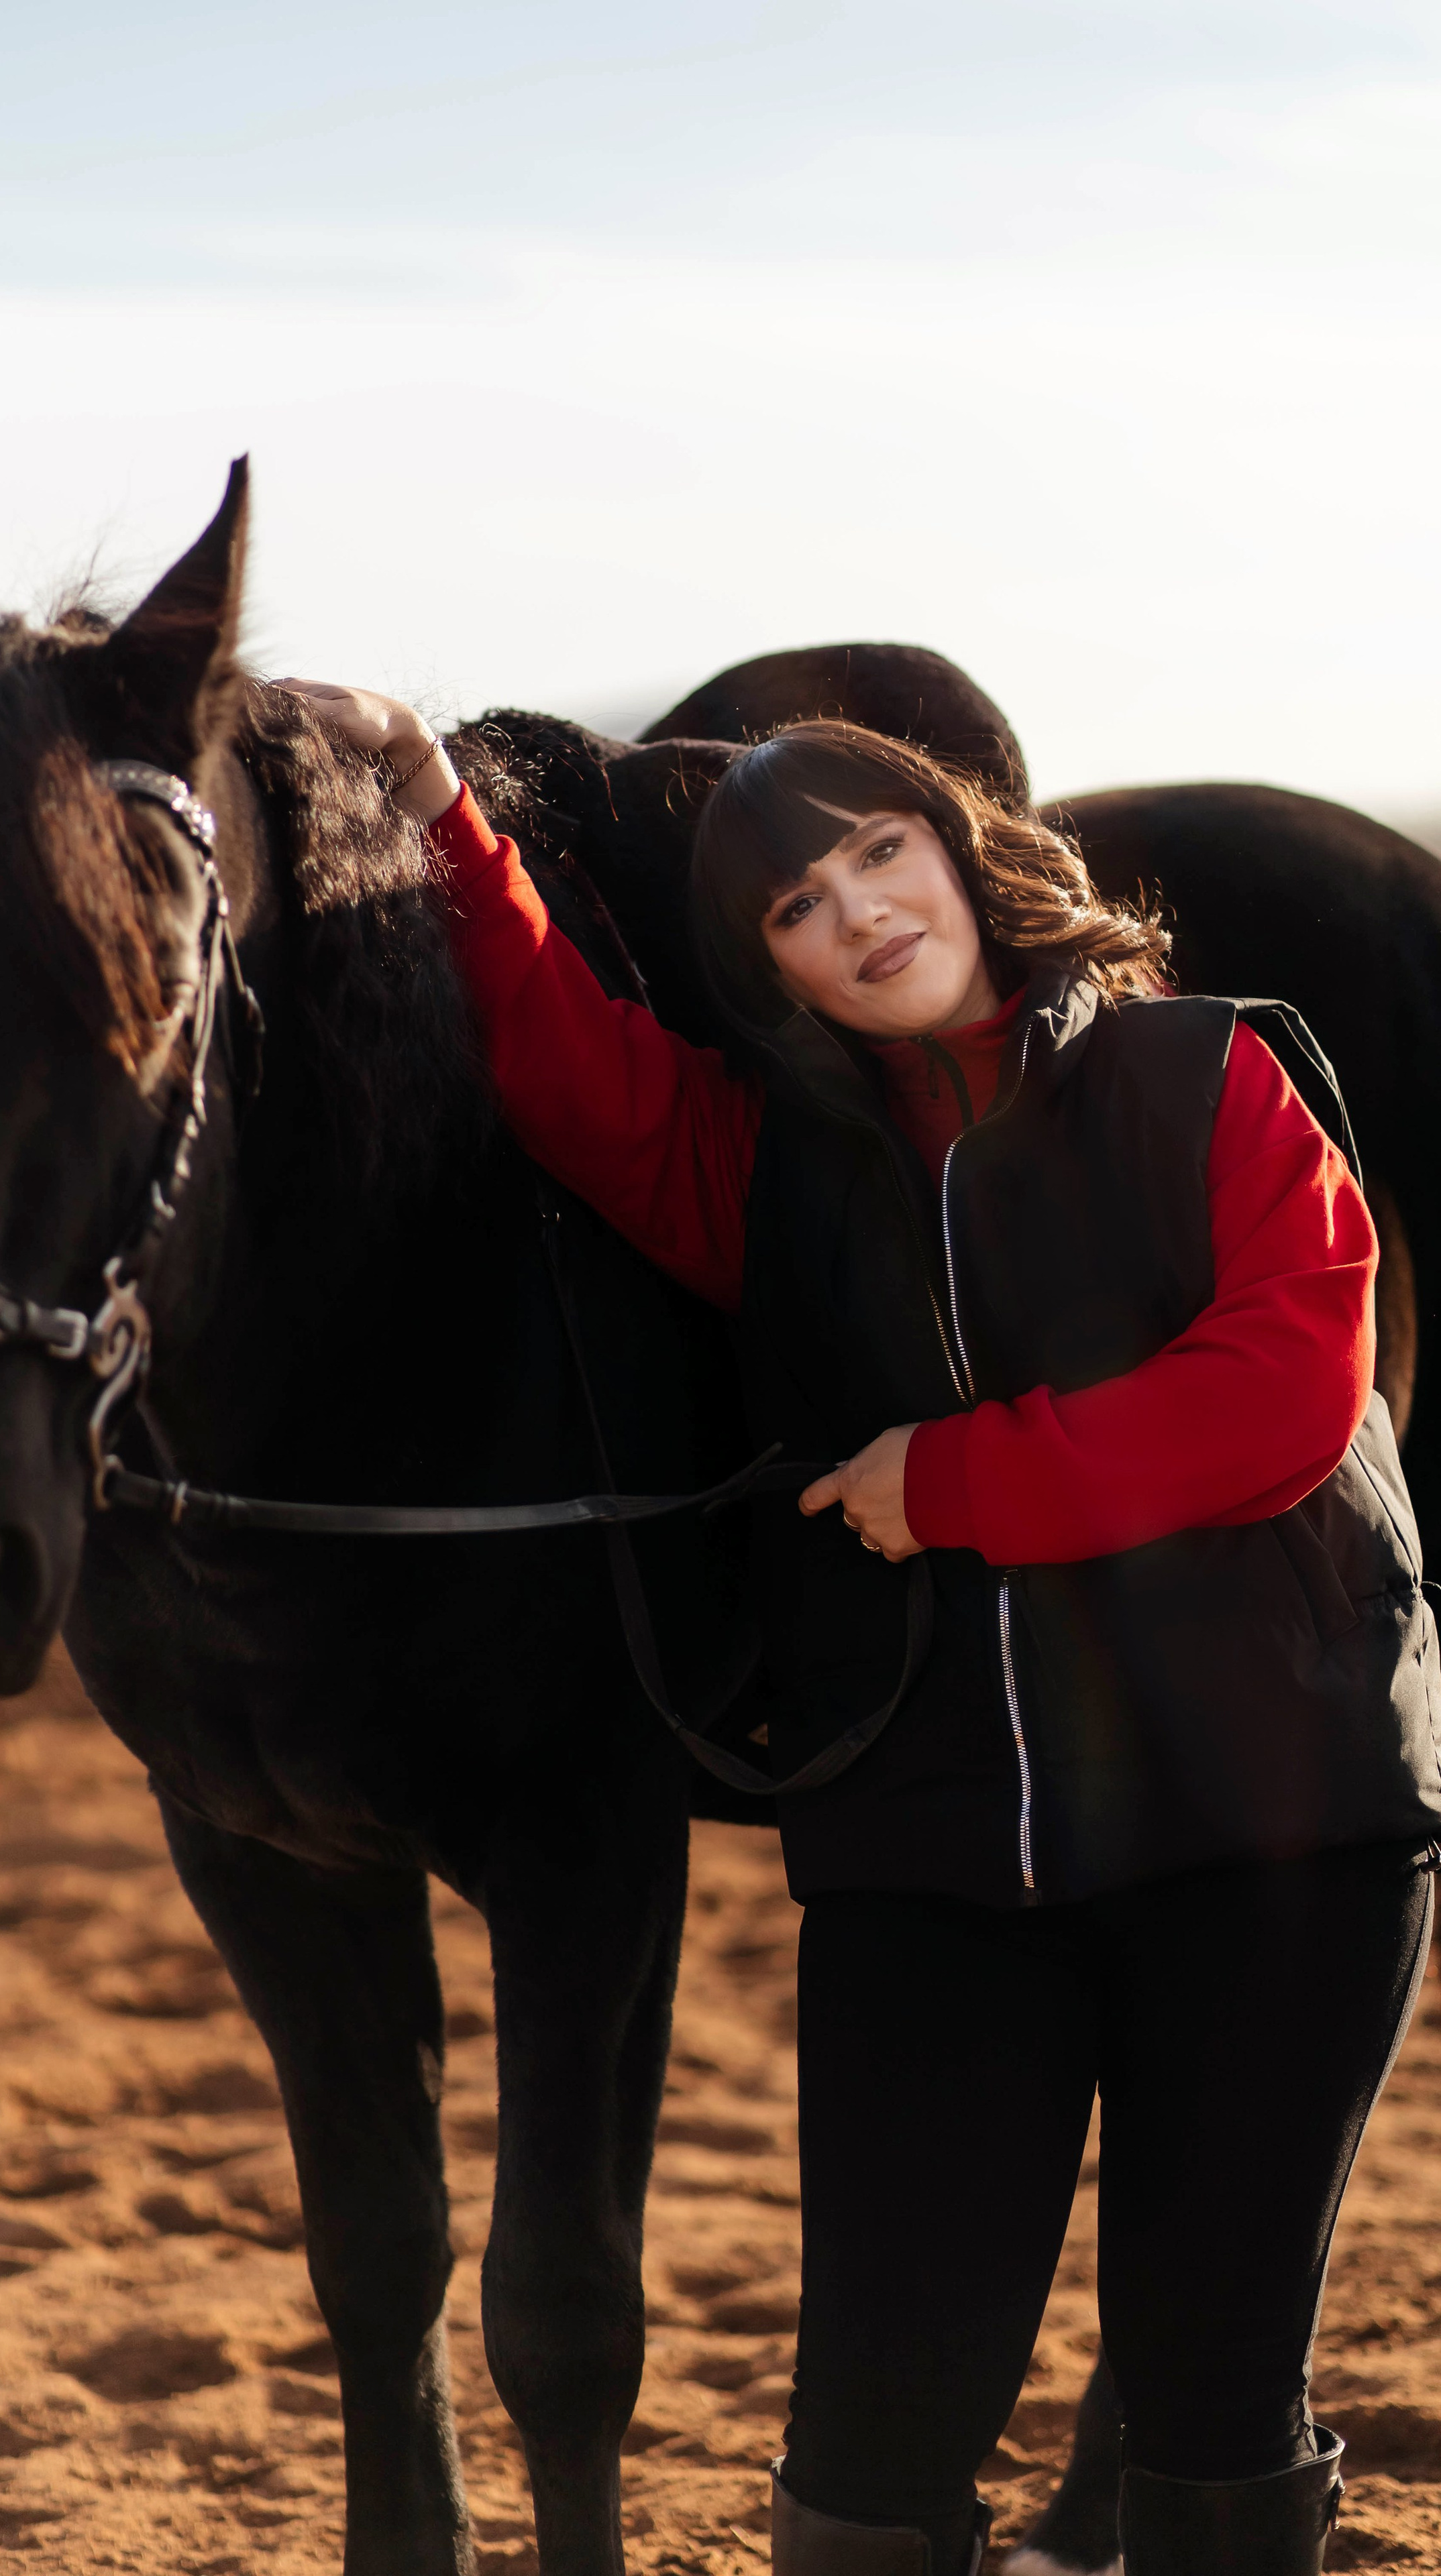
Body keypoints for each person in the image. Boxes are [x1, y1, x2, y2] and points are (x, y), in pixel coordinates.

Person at [283, 680, 1441, 2576]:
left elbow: (1284, 1396)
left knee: (1216, 2399)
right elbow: (574, 1072)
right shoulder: (773, 1164)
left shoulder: (1210, 1071)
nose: (859, 914)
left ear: (961, 848)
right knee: (864, 2460)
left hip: (1278, 1836)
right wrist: (433, 806)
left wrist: (951, 1480)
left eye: (876, 854)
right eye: (796, 910)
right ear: (775, 973)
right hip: (940, 1857)